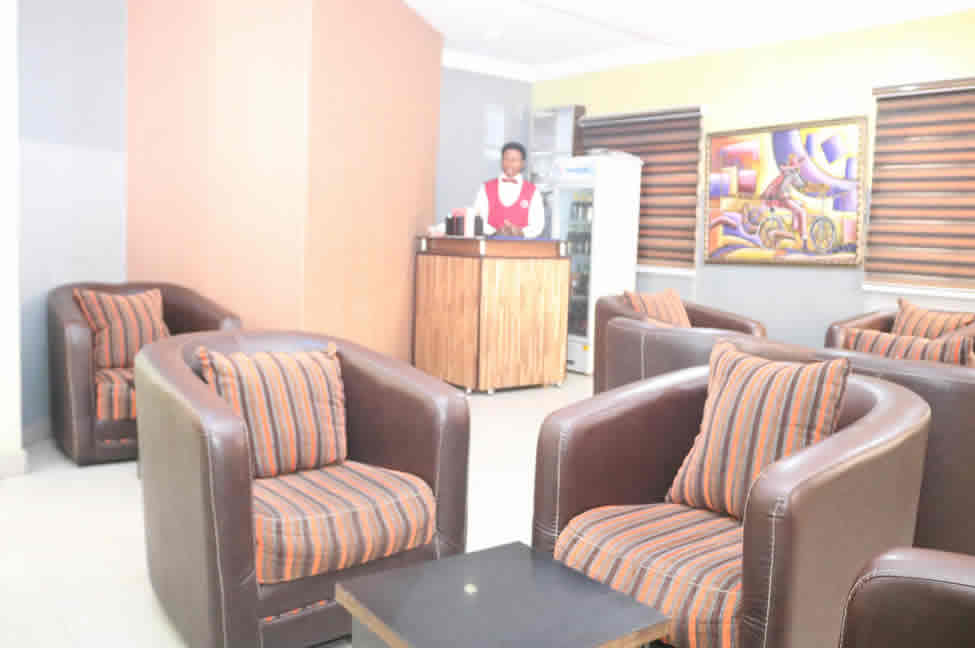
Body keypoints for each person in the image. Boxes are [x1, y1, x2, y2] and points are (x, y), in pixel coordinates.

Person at [430, 141, 545, 238]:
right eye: (506, 159)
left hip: (522, 248)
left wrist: (521, 232)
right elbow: (479, 218)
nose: (509, 163)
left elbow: (538, 225)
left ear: (523, 163)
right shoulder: (486, 187)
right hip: (491, 245)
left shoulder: (533, 191)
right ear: (501, 161)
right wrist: (495, 232)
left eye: (514, 160)